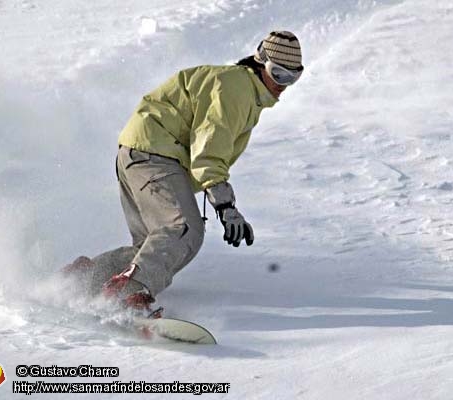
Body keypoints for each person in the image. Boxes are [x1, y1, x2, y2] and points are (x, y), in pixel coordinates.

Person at [64, 31, 304, 316]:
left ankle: (85, 277)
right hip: (156, 153)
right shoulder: (236, 89)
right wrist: (225, 206)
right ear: (260, 62)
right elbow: (209, 151)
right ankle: (130, 292)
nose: (282, 85)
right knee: (184, 229)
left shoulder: (240, 89)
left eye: (292, 77)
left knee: (155, 247)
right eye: (278, 73)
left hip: (137, 152)